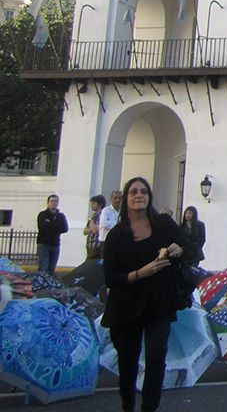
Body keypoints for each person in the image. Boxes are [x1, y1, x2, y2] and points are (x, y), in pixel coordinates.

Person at [101, 176, 187, 412]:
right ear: (126, 199)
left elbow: (188, 248)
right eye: (134, 192)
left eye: (144, 192)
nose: (139, 195)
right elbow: (111, 278)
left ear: (149, 197)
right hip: (126, 305)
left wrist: (178, 249)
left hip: (159, 302)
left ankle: (149, 407)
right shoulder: (116, 235)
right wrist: (140, 273)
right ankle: (128, 405)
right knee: (128, 362)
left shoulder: (164, 224)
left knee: (156, 357)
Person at [36, 194, 68, 274]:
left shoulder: (61, 216)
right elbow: (43, 227)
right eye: (52, 201)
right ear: (48, 203)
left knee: (51, 269)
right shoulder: (43, 215)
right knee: (43, 268)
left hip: (55, 245)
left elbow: (65, 228)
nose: (54, 203)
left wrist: (51, 224)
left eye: (56, 201)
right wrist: (57, 226)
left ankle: (49, 282)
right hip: (44, 245)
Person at [83, 194, 105, 259]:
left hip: (97, 245)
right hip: (90, 245)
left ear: (100, 204)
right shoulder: (93, 216)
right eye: (91, 203)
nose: (92, 205)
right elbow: (85, 232)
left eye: (94, 203)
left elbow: (95, 230)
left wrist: (91, 223)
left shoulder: (102, 215)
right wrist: (91, 228)